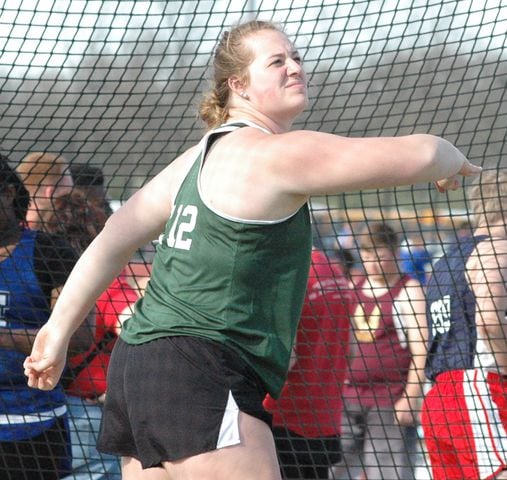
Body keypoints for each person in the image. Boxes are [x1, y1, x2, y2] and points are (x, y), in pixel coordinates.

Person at [24, 20, 481, 480]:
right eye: (277, 61)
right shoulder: (272, 155)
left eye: (296, 57)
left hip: (138, 368)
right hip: (201, 366)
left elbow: (111, 241)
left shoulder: (196, 157)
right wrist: (454, 160)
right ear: (237, 85)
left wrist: (55, 333)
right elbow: (424, 154)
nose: (295, 68)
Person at [0, 156, 91, 479]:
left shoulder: (49, 251)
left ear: (9, 193)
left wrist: (5, 338)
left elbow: (80, 336)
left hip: (32, 425)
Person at [44, 189, 140, 480]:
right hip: (87, 415)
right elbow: (136, 327)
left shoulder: (44, 272)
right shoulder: (107, 282)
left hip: (47, 412)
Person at [421, 168, 507, 480]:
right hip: (479, 387)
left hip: (442, 396)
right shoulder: (496, 248)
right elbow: (489, 321)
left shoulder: (446, 260)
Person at [336, 222, 428, 480]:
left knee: (389, 474)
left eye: (379, 255)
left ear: (395, 252)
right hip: (348, 397)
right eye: (366, 256)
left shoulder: (409, 290)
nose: (372, 263)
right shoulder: (354, 288)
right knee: (334, 469)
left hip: (389, 400)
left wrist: (411, 395)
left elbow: (421, 349)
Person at [263, 246, 352, 479]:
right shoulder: (336, 275)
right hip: (324, 417)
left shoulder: (291, 272)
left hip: (284, 417)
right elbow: (350, 351)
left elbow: (285, 356)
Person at [16, 152, 74, 231]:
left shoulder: (8, 230)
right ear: (51, 193)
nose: (74, 200)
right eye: (68, 194)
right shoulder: (61, 237)